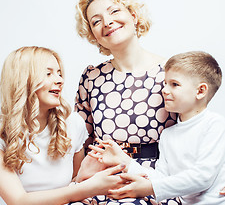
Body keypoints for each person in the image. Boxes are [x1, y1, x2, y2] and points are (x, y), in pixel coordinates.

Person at [71, 0, 181, 204]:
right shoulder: (91, 77)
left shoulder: (171, 71)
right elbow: (82, 141)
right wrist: (79, 182)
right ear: (94, 35)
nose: (107, 22)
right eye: (96, 21)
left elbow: (196, 130)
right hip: (101, 178)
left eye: (114, 11)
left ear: (133, 16)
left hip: (152, 178)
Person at [0, 46, 125, 205]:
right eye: (48, 73)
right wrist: (87, 188)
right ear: (24, 80)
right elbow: (18, 201)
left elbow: (73, 185)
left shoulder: (73, 124)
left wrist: (82, 180)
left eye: (59, 73)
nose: (60, 80)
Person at [89, 51, 225, 205]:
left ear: (200, 91)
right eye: (165, 83)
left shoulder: (215, 125)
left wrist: (150, 188)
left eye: (174, 84)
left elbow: (202, 177)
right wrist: (125, 162)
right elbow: (161, 177)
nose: (165, 90)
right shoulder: (168, 135)